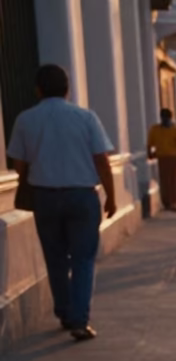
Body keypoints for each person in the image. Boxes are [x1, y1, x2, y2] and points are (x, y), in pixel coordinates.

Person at [6, 64, 116, 341]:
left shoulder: (25, 119)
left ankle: (65, 312)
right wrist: (111, 195)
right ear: (68, 89)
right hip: (82, 196)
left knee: (55, 259)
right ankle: (79, 320)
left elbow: (20, 165)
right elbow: (101, 160)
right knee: (83, 259)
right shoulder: (86, 118)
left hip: (45, 198)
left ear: (38, 89)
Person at [148, 108, 176, 211]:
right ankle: (169, 201)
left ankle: (173, 201)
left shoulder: (174, 129)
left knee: (170, 179)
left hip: (171, 156)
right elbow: (150, 144)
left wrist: (150, 153)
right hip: (166, 156)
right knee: (167, 179)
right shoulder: (171, 129)